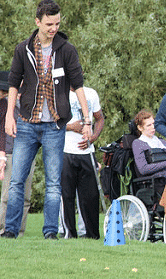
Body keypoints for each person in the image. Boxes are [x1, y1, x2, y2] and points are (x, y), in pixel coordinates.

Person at [2, 0, 92, 240]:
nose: (53, 28)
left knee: (53, 183)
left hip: (54, 126)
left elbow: (79, 86)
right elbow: (12, 84)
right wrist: (9, 116)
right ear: (38, 22)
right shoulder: (23, 49)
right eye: (49, 24)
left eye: (57, 23)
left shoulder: (66, 50)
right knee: (16, 181)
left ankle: (50, 232)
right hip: (26, 123)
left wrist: (87, 120)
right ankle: (9, 231)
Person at [59, 86, 104, 239]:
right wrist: (71, 127)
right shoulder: (59, 92)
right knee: (67, 195)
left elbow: (99, 118)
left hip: (87, 152)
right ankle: (69, 233)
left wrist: (93, 138)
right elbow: (50, 123)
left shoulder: (91, 93)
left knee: (90, 196)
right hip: (65, 150)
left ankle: (91, 235)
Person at [0, 71, 36, 237]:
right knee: (8, 194)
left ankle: (19, 231)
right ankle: (4, 228)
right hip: (10, 152)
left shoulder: (32, 103)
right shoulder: (5, 104)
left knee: (26, 196)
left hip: (28, 152)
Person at [132, 109, 166, 179]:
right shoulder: (138, 143)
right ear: (140, 128)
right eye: (149, 125)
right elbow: (143, 169)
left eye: (153, 124)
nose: (153, 127)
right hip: (158, 179)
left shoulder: (161, 141)